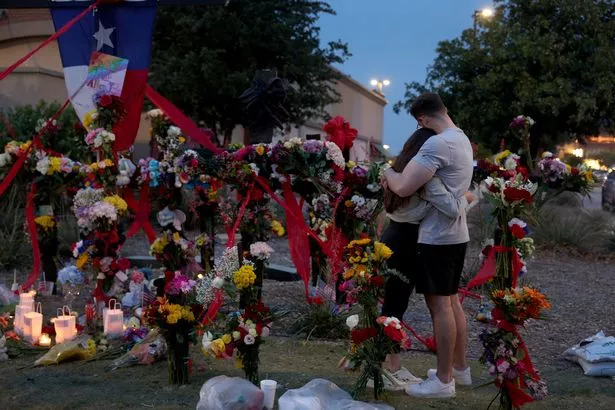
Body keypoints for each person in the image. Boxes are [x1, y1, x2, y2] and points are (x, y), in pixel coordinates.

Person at [384, 93, 474, 399]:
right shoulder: (461, 138)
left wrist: (389, 173)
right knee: (451, 303)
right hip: (455, 236)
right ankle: (458, 370)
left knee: (440, 306)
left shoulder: (436, 143)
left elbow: (404, 186)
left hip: (437, 237)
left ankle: (444, 380)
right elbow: (460, 198)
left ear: (422, 119)